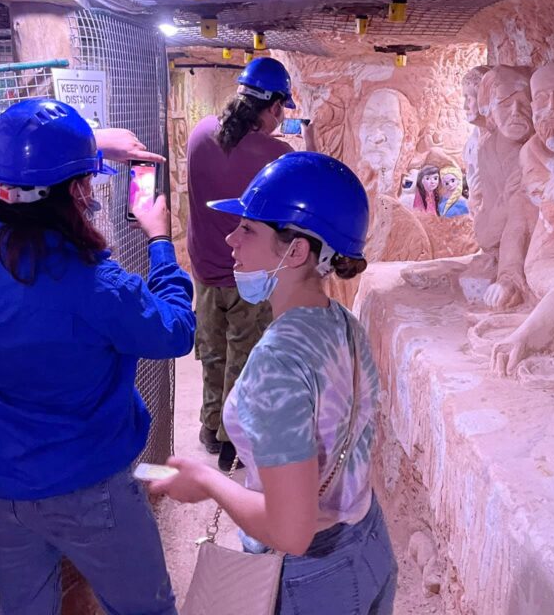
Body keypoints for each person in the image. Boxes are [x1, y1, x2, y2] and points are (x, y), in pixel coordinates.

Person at [0, 98, 196, 615]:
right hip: (89, 490)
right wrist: (159, 238)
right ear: (76, 191)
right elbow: (176, 331)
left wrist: (86, 143)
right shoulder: (94, 285)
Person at [151, 151, 398, 615]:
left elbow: (290, 532)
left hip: (316, 581)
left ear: (297, 250)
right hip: (368, 544)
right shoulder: (342, 323)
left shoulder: (277, 364)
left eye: (248, 228)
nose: (230, 239)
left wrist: (206, 479)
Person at [187, 56, 301, 469]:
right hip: (249, 275)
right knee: (246, 354)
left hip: (203, 270)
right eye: (280, 111)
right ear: (272, 107)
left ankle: (209, 427)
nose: (279, 119)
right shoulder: (277, 155)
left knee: (213, 352)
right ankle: (232, 439)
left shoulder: (199, 133)